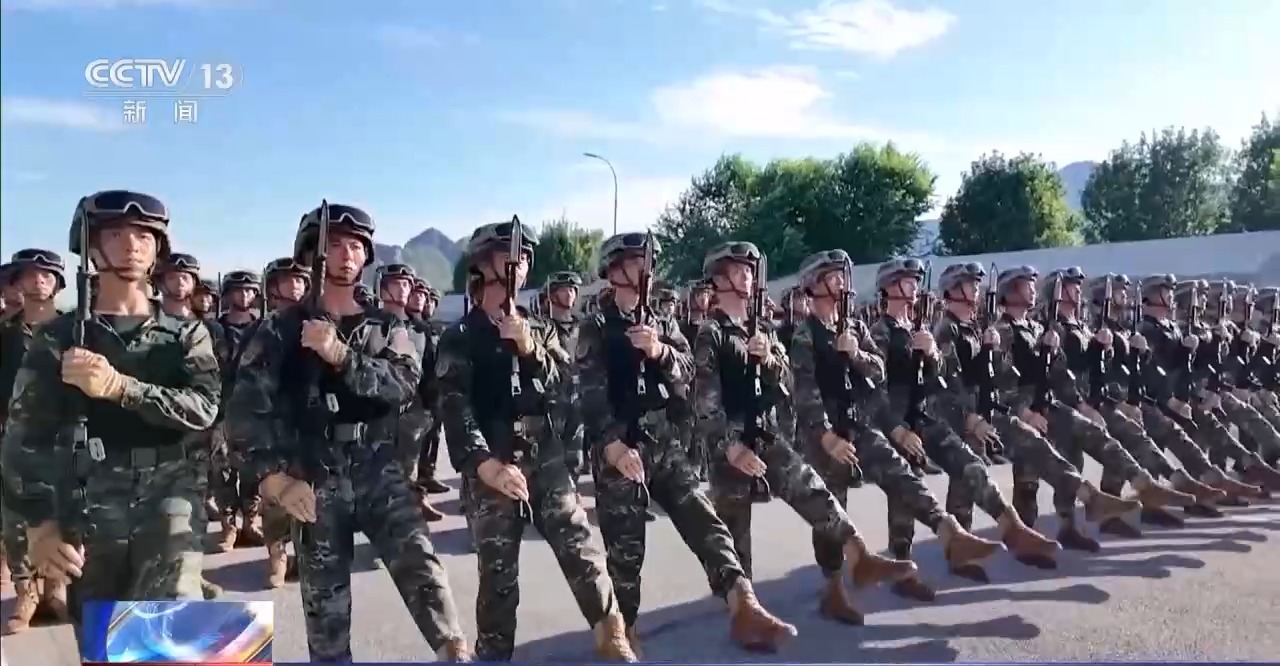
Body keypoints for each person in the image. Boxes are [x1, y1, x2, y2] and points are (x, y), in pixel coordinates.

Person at [226, 202, 470, 662]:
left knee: (423, 570)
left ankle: (455, 651)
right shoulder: (277, 330)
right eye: (334, 244)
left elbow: (402, 385)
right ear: (309, 254)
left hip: (379, 467)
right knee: (327, 616)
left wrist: (341, 355)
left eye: (355, 246)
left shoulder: (387, 326)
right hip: (313, 476)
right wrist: (274, 479)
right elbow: (244, 414)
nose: (346, 254)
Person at [0, 190, 220, 647]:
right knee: (105, 644)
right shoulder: (58, 337)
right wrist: (39, 524)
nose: (132, 245)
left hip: (171, 491)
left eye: (144, 236)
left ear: (158, 250)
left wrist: (121, 388)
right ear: (92, 248)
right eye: (116, 235)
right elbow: (24, 436)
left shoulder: (186, 334)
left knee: (171, 637)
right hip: (87, 499)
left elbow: (203, 408)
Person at [579, 233, 796, 653]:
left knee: (706, 522)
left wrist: (659, 351)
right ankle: (623, 631)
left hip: (664, 443)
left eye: (648, 261)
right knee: (626, 552)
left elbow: (688, 375)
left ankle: (744, 604)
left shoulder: (661, 322)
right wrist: (612, 446)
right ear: (614, 269)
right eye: (636, 261)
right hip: (620, 449)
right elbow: (586, 394)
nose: (647, 269)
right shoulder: (597, 326)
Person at [437, 219, 635, 661]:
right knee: (498, 576)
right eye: (510, 254)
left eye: (525, 256)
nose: (520, 262)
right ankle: (494, 653)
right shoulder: (460, 337)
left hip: (544, 458)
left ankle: (613, 635)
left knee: (581, 547)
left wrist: (531, 351)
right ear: (482, 264)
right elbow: (454, 408)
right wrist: (486, 465)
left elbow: (567, 385)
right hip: (492, 462)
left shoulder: (539, 329)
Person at [693, 241, 917, 628]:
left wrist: (768, 358)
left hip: (766, 436)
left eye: (749, 270)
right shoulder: (710, 333)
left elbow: (786, 383)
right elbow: (705, 403)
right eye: (739, 270)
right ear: (719, 278)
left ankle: (859, 556)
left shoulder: (763, 328)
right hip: (729, 444)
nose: (748, 276)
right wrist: (730, 448)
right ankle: (743, 610)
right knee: (735, 538)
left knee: (814, 492)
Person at [790, 250, 1006, 616]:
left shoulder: (855, 327)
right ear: (814, 284)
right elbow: (804, 392)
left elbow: (878, 373)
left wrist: (856, 355)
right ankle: (834, 586)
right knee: (832, 510)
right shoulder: (805, 334)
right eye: (834, 276)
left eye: (842, 275)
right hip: (824, 432)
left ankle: (949, 533)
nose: (843, 282)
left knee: (901, 475)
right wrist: (826, 436)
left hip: (858, 424)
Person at [0, 249, 71, 633]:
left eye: (46, 275)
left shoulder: (75, 329)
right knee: (15, 518)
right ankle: (25, 592)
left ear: (58, 283)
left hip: (63, 438)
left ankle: (56, 587)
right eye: (29, 274)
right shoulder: (5, 333)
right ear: (17, 283)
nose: (38, 280)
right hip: (13, 440)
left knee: (64, 513)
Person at [377, 263, 443, 522]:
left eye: (406, 284)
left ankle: (408, 511)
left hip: (411, 413)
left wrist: (429, 408)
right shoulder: (371, 324)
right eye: (396, 283)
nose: (403, 289)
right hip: (376, 414)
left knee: (407, 470)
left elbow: (429, 372)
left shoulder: (419, 330)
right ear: (382, 288)